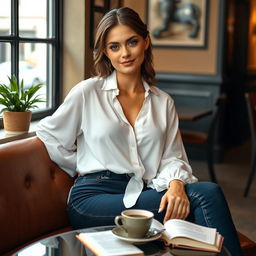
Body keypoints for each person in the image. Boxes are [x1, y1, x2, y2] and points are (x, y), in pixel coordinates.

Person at [36, 7, 242, 256]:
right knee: (205, 195)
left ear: (146, 42)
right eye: (114, 46)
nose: (125, 53)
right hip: (93, 197)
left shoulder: (163, 102)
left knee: (194, 205)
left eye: (132, 42)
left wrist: (176, 184)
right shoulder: (87, 92)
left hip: (144, 191)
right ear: (105, 52)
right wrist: (81, 166)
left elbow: (172, 156)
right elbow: (49, 135)